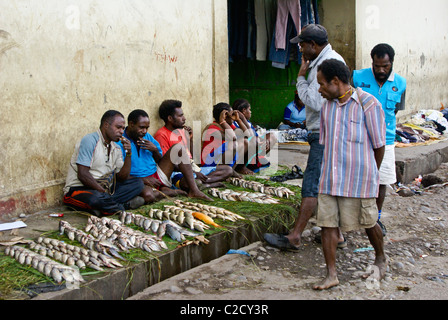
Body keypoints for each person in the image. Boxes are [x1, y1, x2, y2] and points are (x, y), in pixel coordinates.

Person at [264, 24, 346, 250]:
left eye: (302, 44)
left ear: (313, 45)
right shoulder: (323, 60)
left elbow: (316, 102)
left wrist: (300, 78)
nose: (299, 48)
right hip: (326, 132)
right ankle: (337, 235)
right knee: (326, 184)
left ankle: (295, 236)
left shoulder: (326, 64)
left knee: (310, 184)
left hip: (324, 133)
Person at [313, 58, 386, 290]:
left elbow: (379, 145)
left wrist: (371, 175)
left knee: (369, 222)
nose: (320, 89)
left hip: (359, 179)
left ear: (336, 82)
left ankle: (381, 258)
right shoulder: (327, 107)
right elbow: (326, 144)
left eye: (323, 84)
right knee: (327, 224)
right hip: (330, 179)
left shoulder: (369, 104)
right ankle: (331, 273)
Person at [353, 43, 407, 236]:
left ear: (391, 63)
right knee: (356, 178)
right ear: (372, 62)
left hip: (387, 139)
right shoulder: (357, 77)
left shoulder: (401, 83)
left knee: (381, 181)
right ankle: (351, 217)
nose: (381, 70)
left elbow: (396, 110)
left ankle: (375, 218)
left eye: (385, 66)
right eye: (377, 66)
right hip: (360, 137)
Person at [117, 109, 212, 202]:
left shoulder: (147, 136)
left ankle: (194, 190)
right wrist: (144, 179)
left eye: (147, 128)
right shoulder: (120, 142)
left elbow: (160, 160)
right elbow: (121, 175)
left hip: (157, 175)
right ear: (131, 124)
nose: (145, 131)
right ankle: (167, 192)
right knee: (148, 195)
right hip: (138, 180)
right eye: (141, 127)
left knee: (178, 148)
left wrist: (154, 150)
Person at [63, 110, 145, 216]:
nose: (121, 132)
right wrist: (101, 191)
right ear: (106, 125)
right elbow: (82, 175)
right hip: (80, 189)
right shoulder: (90, 140)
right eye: (118, 127)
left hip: (104, 190)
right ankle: (121, 207)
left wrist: (128, 154)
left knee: (138, 184)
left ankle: (103, 208)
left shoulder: (116, 147)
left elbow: (122, 177)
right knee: (95, 198)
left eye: (123, 128)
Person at [154, 99, 233, 189]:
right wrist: (192, 172)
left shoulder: (181, 131)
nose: (184, 118)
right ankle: (205, 183)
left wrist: (190, 140)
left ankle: (204, 183)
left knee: (228, 170)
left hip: (193, 168)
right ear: (170, 118)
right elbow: (169, 164)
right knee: (189, 182)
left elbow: (192, 157)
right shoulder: (161, 135)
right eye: (180, 116)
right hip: (178, 172)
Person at [201, 103, 249, 176]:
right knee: (232, 144)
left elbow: (247, 135)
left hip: (219, 160)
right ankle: (224, 173)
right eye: (231, 114)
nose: (233, 117)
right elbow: (233, 138)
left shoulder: (228, 126)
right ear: (225, 116)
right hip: (209, 164)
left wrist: (239, 119)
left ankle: (229, 171)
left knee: (245, 142)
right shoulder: (211, 128)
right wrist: (222, 121)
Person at [232, 98, 276, 172]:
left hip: (252, 151)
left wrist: (266, 142)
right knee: (254, 140)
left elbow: (255, 135)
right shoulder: (234, 124)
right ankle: (241, 167)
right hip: (241, 155)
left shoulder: (248, 122)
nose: (250, 112)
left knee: (272, 136)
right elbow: (251, 136)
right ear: (244, 110)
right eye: (249, 109)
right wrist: (242, 119)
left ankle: (256, 159)